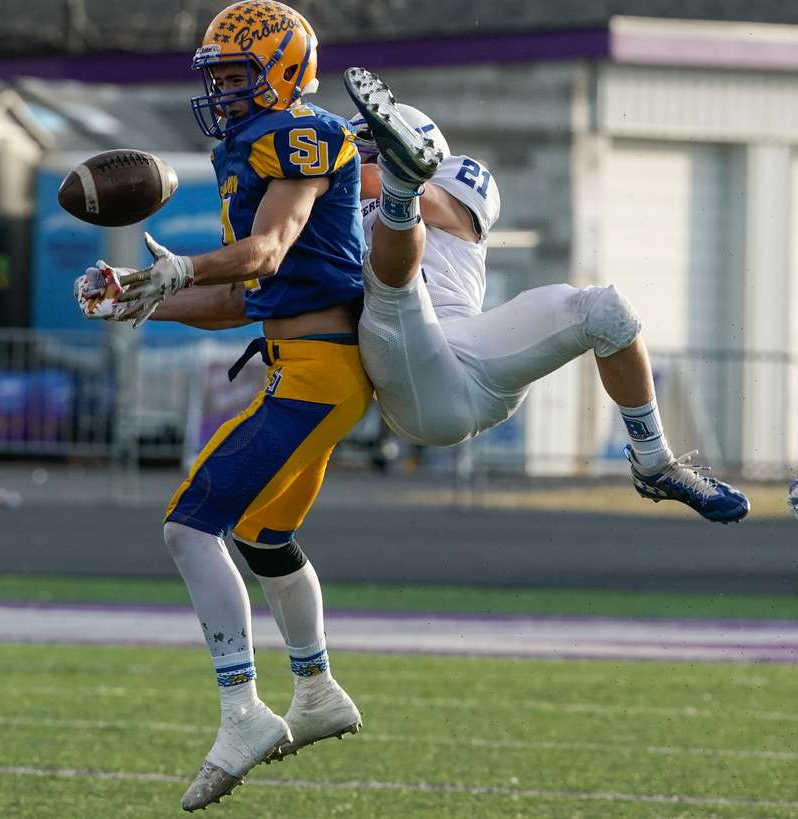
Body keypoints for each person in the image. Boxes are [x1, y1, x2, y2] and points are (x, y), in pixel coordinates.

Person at [75, 1, 370, 811]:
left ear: (282, 72)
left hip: (320, 371)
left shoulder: (298, 136)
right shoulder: (247, 145)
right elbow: (250, 294)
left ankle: (243, 707)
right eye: (218, 76)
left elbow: (265, 250)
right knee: (261, 533)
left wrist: (180, 269)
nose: (224, 91)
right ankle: (316, 690)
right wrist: (141, 297)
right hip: (300, 363)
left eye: (238, 75)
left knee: (187, 523)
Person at [343, 67, 750, 523]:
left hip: (470, 350)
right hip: (405, 374)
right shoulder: (329, 208)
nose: (354, 162)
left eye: (370, 152)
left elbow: (422, 200)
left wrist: (353, 172)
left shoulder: (455, 180)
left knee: (605, 311)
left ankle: (654, 461)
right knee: (393, 284)